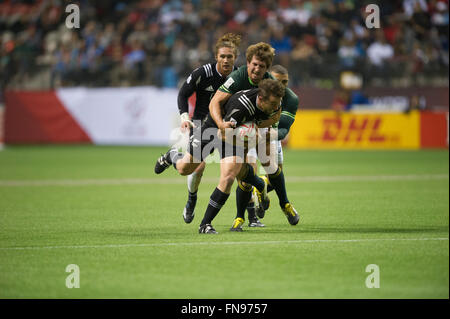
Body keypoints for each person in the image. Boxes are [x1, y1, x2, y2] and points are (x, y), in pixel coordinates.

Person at [155, 79, 284, 234]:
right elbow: (221, 135)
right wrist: (250, 138)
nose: (276, 107)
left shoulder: (272, 102)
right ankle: (172, 155)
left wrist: (260, 127)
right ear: (261, 100)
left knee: (229, 176)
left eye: (278, 103)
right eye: (273, 104)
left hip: (234, 131)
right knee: (184, 168)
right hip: (214, 128)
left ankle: (205, 224)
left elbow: (270, 118)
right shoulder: (241, 107)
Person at [209, 42, 300, 226]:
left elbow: (275, 117)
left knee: (271, 165)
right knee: (244, 168)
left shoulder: (274, 88)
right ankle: (241, 217)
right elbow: (215, 101)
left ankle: (285, 204)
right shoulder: (238, 76)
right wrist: (221, 125)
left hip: (258, 126)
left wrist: (260, 128)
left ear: (267, 68)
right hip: (238, 125)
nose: (257, 69)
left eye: (262, 66)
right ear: (248, 63)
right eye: (254, 64)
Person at [161, 33, 241, 224]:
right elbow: (183, 94)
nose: (226, 60)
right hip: (201, 123)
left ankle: (248, 214)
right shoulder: (202, 73)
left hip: (225, 128)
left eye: (230, 56)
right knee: (197, 167)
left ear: (235, 58)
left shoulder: (239, 76)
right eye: (222, 56)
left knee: (234, 171)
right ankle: (191, 198)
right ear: (216, 57)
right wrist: (184, 117)